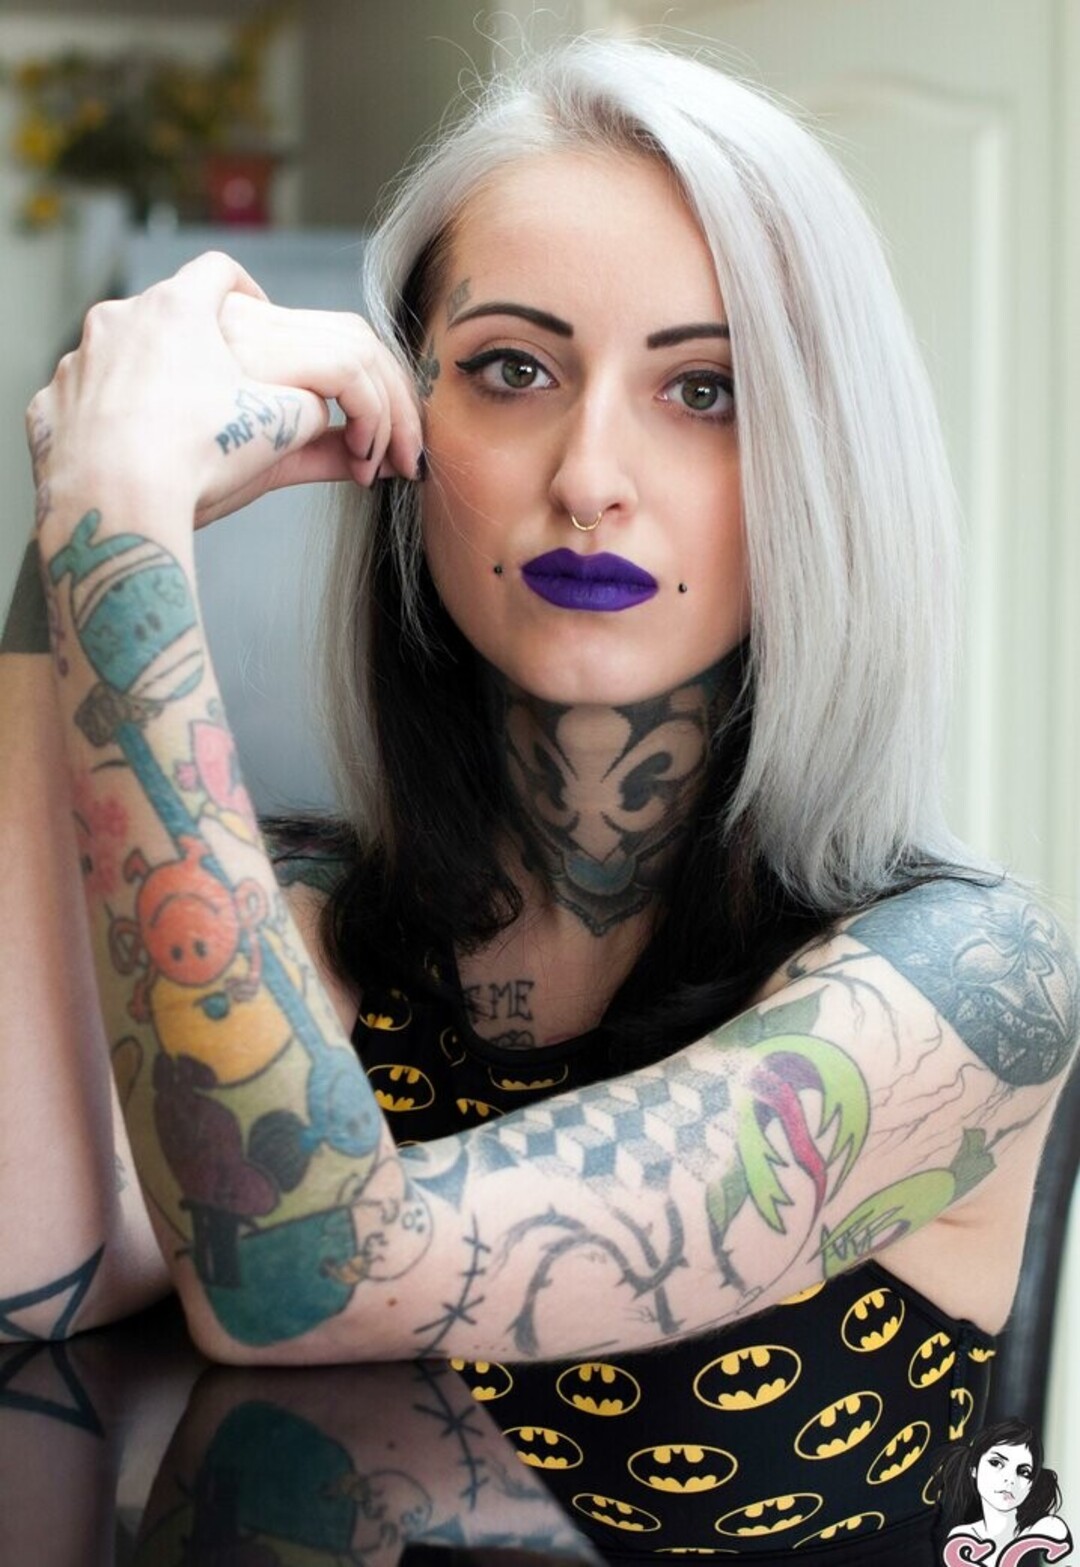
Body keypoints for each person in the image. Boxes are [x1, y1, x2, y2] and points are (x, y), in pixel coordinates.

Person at [2, 34, 1076, 1562]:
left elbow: (301, 1272)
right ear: (399, 423)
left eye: (703, 388)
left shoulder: (969, 980)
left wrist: (123, 523)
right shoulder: (312, 928)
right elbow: (24, 1270)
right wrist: (62, 544)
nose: (590, 474)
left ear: (824, 465)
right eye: (515, 369)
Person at [934, 1419, 1071, 1565]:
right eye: (996, 1463)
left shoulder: (1047, 1529)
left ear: (1032, 1484)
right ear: (973, 1468)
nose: (1010, 1479)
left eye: (1023, 1472)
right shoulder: (960, 1539)